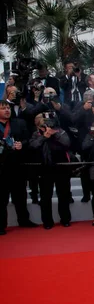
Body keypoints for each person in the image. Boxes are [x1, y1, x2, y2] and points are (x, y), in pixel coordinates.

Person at [0, 101, 38, 235]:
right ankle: (1, 226)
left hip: (17, 165)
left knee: (20, 196)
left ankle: (24, 220)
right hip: (1, 167)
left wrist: (22, 144)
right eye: (3, 108)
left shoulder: (19, 123)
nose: (6, 110)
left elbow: (29, 139)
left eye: (8, 108)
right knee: (2, 198)